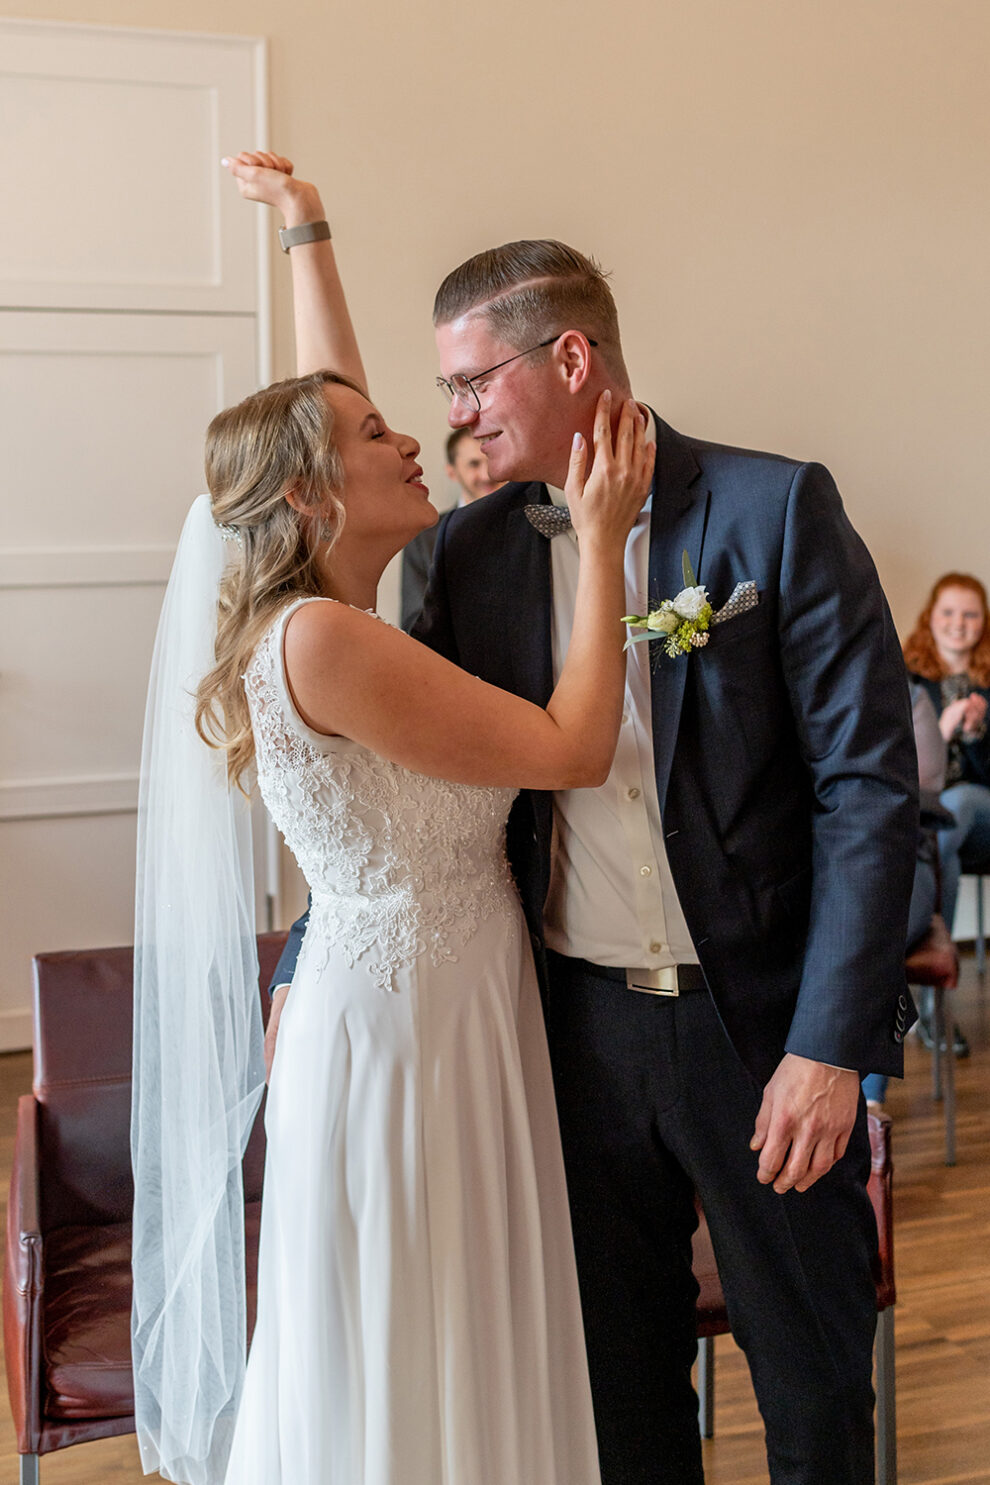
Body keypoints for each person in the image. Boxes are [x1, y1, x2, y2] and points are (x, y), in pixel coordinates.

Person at [255, 159, 918, 1484]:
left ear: (568, 359)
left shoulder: (772, 511)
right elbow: (391, 777)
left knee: (810, 1384)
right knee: (615, 1395)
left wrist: (828, 1049)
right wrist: (302, 959)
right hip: (564, 1038)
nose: (451, 416)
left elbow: (867, 789)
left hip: (760, 1031)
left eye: (468, 383)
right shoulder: (461, 555)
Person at [131, 151, 655, 1485]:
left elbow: (333, 410)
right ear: (312, 495)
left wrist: (309, 235)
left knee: (431, 1316)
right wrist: (601, 543)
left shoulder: (332, 613)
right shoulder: (326, 642)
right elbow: (573, 747)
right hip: (411, 1025)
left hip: (442, 1000)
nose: (417, 435)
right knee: (413, 1318)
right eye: (379, 440)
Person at [903, 571, 990, 1054]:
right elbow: (906, 771)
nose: (960, 623)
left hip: (982, 816)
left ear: (984, 622)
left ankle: (907, 949)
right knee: (944, 846)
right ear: (931, 618)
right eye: (949, 613)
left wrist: (976, 736)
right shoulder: (910, 681)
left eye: (971, 613)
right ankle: (935, 1012)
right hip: (944, 834)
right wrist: (943, 728)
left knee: (954, 807)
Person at [400, 426, 501, 630]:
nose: (487, 474)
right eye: (474, 464)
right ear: (452, 472)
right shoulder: (423, 538)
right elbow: (414, 624)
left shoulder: (537, 520)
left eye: (492, 459)